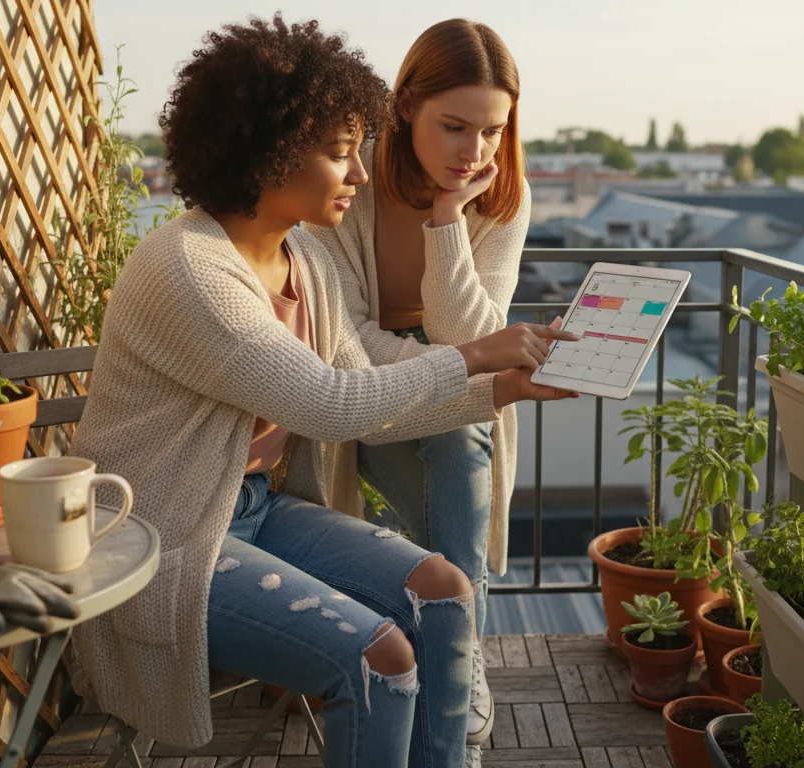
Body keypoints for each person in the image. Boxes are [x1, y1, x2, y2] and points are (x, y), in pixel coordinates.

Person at [65, 16, 576, 768]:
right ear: (268, 152)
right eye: (341, 154)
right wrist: (473, 357)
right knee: (379, 659)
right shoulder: (191, 271)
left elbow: (366, 382)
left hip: (256, 508)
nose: (362, 174)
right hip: (164, 535)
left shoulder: (302, 257)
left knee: (444, 593)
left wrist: (504, 388)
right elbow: (333, 404)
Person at [307, 19, 527, 751]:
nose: (475, 152)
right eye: (455, 127)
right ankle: (463, 669)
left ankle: (453, 667)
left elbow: (469, 337)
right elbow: (350, 339)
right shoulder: (350, 176)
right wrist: (448, 370)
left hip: (450, 384)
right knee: (455, 487)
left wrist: (447, 218)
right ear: (404, 106)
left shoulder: (500, 196)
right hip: (364, 383)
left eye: (493, 131)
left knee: (458, 465)